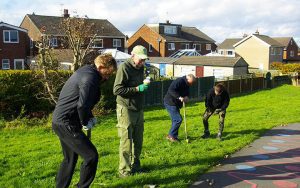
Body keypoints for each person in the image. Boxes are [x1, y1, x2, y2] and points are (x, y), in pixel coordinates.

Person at [52, 54, 117, 188]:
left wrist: (89, 117)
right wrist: (86, 121)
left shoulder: (87, 71)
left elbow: (82, 102)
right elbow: (82, 105)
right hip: (66, 123)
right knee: (91, 156)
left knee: (70, 158)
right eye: (107, 73)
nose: (107, 77)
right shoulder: (90, 78)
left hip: (61, 120)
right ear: (100, 67)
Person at [113, 45, 149, 177]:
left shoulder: (141, 67)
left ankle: (136, 166)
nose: (142, 62)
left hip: (138, 107)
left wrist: (145, 82)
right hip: (125, 108)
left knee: (138, 139)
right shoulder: (124, 68)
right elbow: (117, 90)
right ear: (133, 56)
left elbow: (141, 84)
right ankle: (124, 171)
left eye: (144, 60)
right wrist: (137, 89)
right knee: (127, 140)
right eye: (141, 59)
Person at [164, 74, 196, 142]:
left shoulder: (187, 83)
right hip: (170, 102)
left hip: (176, 104)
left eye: (192, 83)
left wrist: (187, 96)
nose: (191, 84)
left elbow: (186, 92)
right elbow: (171, 90)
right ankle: (172, 136)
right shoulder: (179, 81)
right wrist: (179, 97)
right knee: (178, 119)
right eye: (191, 83)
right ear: (187, 79)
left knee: (175, 120)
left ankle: (172, 136)